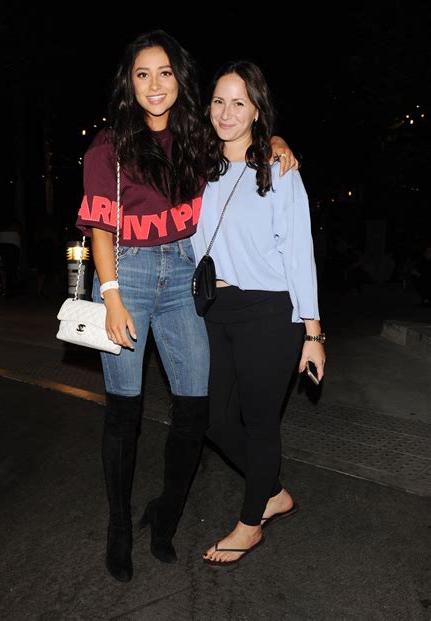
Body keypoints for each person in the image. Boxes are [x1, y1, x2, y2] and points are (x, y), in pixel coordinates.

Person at [75, 31, 298, 583]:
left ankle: (165, 516)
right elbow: (101, 229)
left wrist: (277, 141)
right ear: (130, 82)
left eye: (165, 73)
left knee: (195, 411)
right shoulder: (109, 146)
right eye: (143, 74)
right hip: (126, 275)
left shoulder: (197, 136)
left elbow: (245, 137)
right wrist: (110, 296)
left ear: (180, 79)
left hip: (183, 277)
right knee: (124, 414)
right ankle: (119, 527)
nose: (155, 85)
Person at [191, 60, 326, 566]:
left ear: (256, 111)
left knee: (259, 422)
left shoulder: (277, 168)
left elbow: (298, 252)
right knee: (212, 417)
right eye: (219, 101)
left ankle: (250, 525)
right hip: (215, 309)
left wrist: (314, 334)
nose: (226, 113)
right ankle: (271, 491)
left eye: (239, 103)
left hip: (271, 312)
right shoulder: (200, 170)